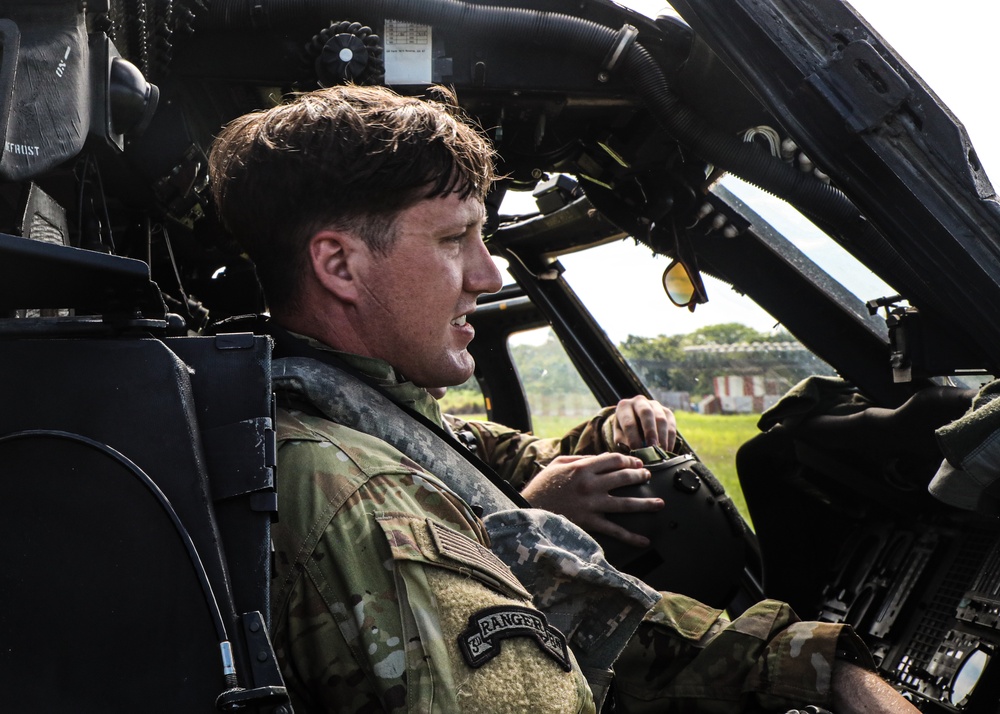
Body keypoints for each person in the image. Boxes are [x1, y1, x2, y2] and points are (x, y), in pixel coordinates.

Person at [207, 83, 918, 713]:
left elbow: (579, 599)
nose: (486, 275)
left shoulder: (358, 418)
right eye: (456, 239)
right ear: (339, 264)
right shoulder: (366, 494)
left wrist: (819, 669)